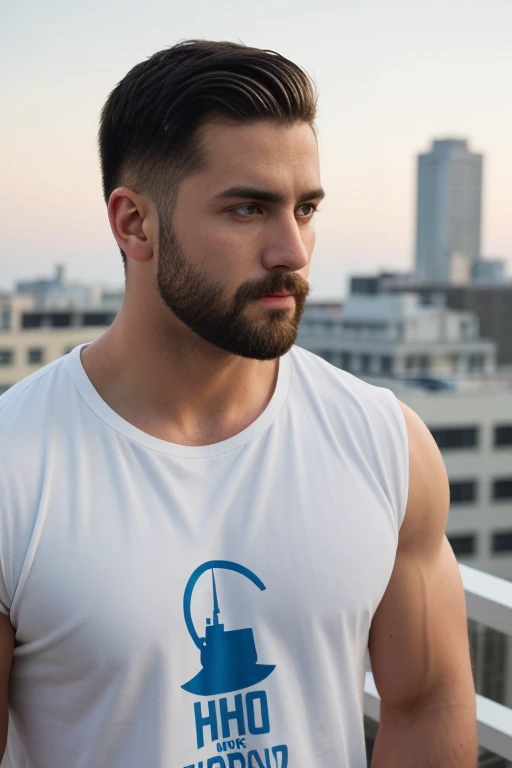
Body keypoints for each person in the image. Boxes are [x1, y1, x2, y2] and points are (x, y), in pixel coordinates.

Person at [0, 40, 477, 768]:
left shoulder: (385, 444)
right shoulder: (15, 468)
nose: (293, 249)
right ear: (134, 225)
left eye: (306, 208)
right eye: (249, 208)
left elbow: (428, 705)